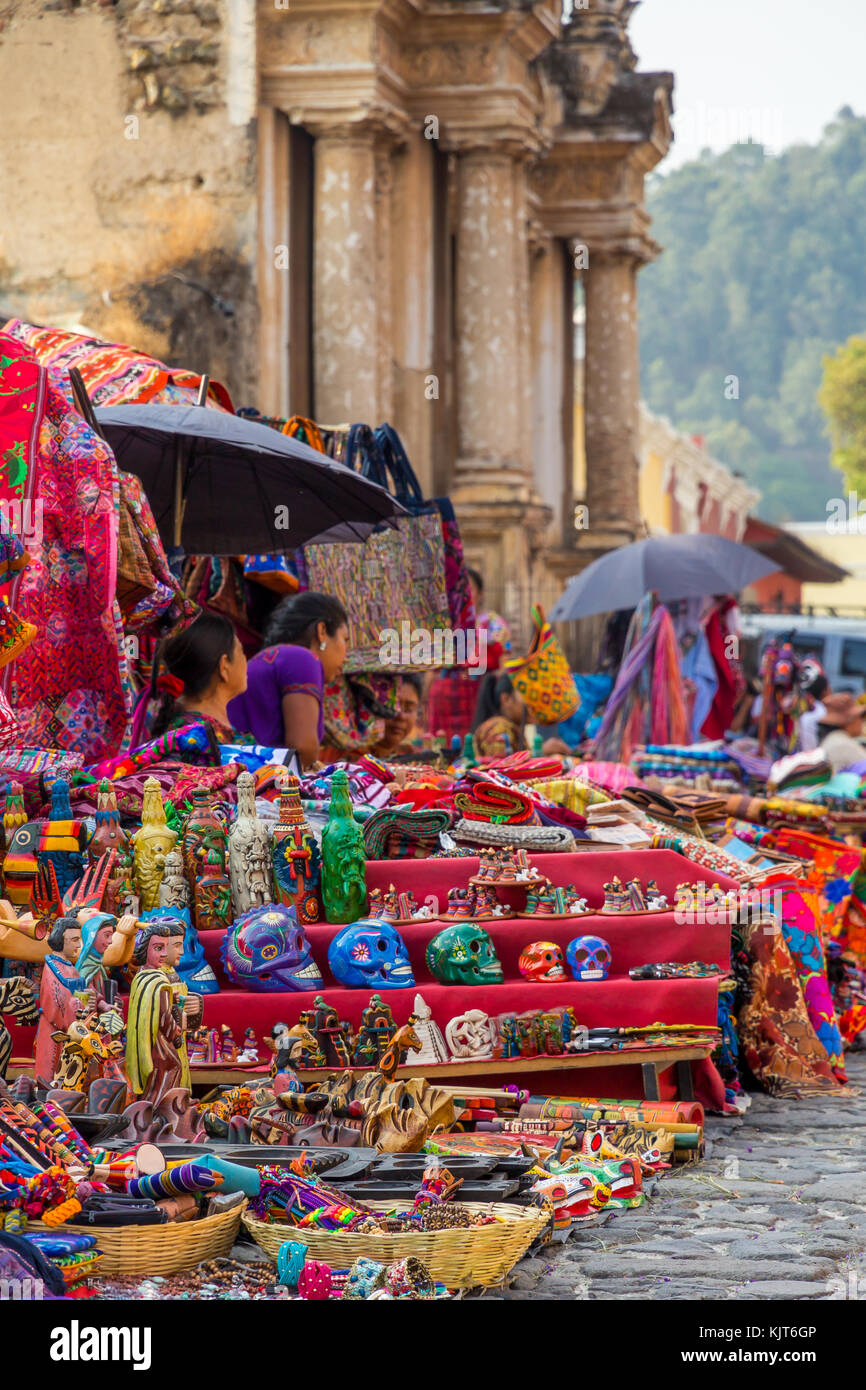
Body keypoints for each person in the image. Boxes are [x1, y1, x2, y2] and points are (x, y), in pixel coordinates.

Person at [227, 592, 349, 767]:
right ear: (322, 631)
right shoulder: (302, 658)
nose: (346, 656)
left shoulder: (268, 658)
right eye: (345, 639)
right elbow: (302, 750)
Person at [151, 611, 248, 744]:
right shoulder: (207, 740)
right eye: (241, 652)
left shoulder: (180, 728)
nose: (245, 660)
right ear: (224, 666)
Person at [472, 672, 526, 758]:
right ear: (506, 699)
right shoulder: (499, 728)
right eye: (525, 694)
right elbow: (499, 767)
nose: (530, 702)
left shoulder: (506, 726)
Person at [371, 674, 423, 758]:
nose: (401, 716)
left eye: (409, 709)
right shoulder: (350, 763)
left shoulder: (414, 758)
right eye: (392, 707)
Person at [817, 693, 866, 773]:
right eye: (860, 717)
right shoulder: (843, 745)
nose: (862, 721)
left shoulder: (835, 738)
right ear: (850, 720)